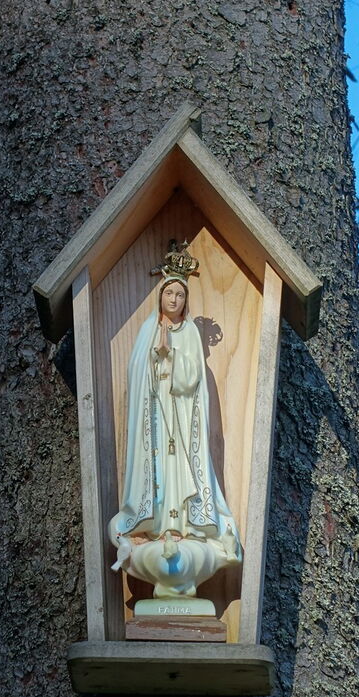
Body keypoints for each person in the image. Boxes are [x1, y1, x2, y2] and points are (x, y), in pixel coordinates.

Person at [108, 245, 240, 600]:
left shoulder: (190, 333)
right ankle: (156, 527)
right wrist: (155, 358)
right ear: (160, 296)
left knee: (182, 471)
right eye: (169, 293)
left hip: (182, 420)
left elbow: (192, 377)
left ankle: (182, 526)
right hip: (154, 421)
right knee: (158, 473)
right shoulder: (148, 330)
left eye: (180, 295)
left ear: (186, 301)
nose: (174, 299)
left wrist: (172, 357)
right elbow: (137, 372)